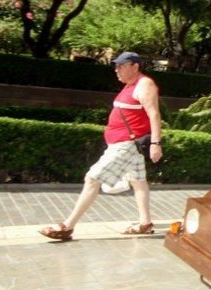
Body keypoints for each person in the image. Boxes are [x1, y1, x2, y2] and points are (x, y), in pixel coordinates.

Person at [40, 52, 163, 240]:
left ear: (135, 66)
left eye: (121, 66)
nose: (116, 70)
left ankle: (67, 227)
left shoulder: (144, 84)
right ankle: (145, 223)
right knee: (138, 180)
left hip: (126, 145)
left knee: (92, 178)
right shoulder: (130, 85)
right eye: (116, 66)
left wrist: (155, 143)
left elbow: (154, 114)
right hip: (122, 143)